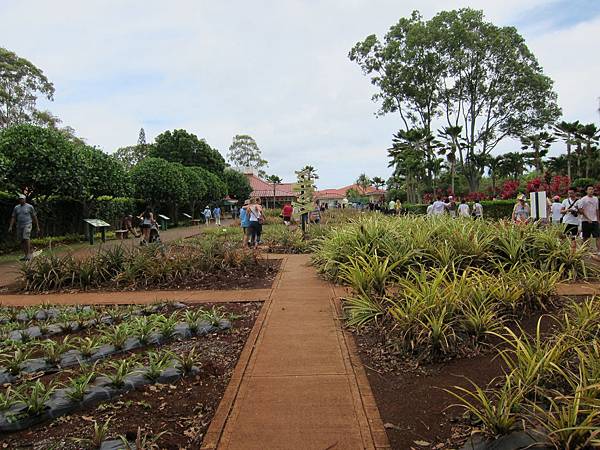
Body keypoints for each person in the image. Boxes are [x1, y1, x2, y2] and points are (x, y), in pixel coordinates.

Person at [8, 194, 40, 261]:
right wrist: (10, 226)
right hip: (19, 225)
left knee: (26, 237)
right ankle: (26, 255)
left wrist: (37, 226)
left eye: (22, 199)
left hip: (27, 224)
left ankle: (28, 254)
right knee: (21, 240)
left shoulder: (30, 207)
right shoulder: (16, 207)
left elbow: (34, 216)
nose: (21, 200)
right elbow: (13, 217)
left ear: (25, 200)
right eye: (20, 199)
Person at [575, 185, 600, 254]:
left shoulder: (596, 199)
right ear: (586, 191)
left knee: (597, 236)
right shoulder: (583, 199)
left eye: (592, 189)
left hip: (594, 220)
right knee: (586, 237)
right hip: (585, 221)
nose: (591, 191)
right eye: (589, 189)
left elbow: (597, 209)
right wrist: (587, 218)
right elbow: (580, 210)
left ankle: (598, 251)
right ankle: (583, 250)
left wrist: (598, 219)